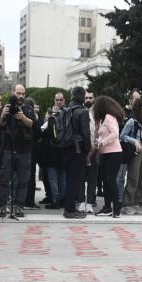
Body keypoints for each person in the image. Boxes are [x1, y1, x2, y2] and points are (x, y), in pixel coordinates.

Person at [0, 84, 35, 219]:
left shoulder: (28, 108)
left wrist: (23, 117)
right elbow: (0, 124)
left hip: (24, 149)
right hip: (8, 147)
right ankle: (3, 205)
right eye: (18, 93)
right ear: (13, 93)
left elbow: (32, 124)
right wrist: (3, 115)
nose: (20, 96)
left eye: (22, 94)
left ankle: (19, 207)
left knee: (23, 180)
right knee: (4, 178)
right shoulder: (6, 107)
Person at [58, 86, 91, 219]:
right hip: (77, 149)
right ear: (82, 97)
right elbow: (86, 133)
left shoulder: (65, 109)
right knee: (75, 180)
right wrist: (88, 149)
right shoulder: (82, 111)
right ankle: (70, 209)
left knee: (68, 179)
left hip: (65, 147)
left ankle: (68, 206)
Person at [91, 95, 125, 218]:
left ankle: (116, 208)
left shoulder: (110, 117)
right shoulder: (101, 120)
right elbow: (103, 134)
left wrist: (101, 142)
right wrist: (98, 140)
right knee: (106, 181)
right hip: (104, 153)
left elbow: (115, 134)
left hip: (114, 153)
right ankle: (107, 208)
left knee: (111, 180)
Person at [121, 97, 142, 215]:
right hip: (136, 152)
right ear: (139, 108)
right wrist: (134, 141)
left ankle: (138, 203)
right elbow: (122, 136)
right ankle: (127, 204)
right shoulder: (132, 121)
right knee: (133, 177)